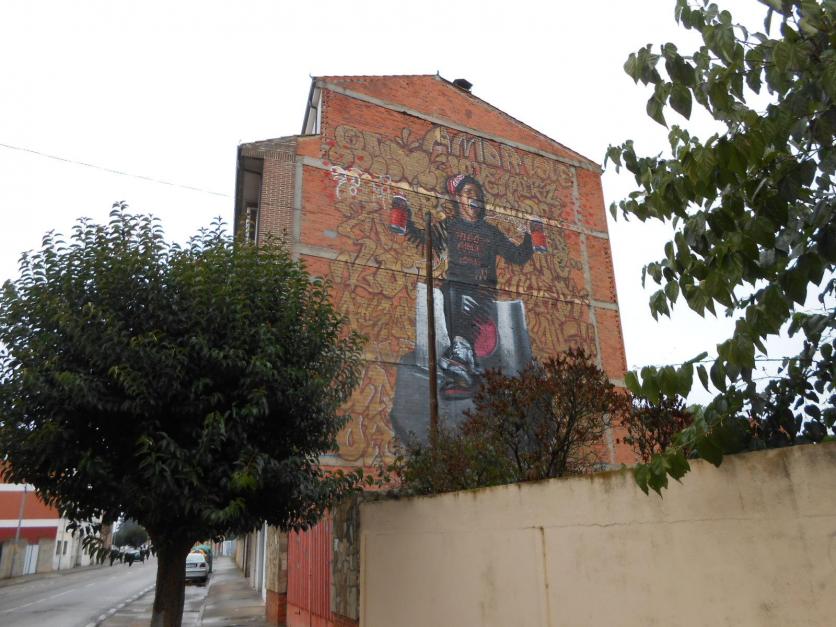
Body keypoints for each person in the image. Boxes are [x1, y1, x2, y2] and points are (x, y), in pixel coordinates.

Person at [398, 174, 534, 396]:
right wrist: (406, 220)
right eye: (468, 193)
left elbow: (517, 256)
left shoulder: (490, 232)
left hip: (483, 289)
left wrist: (530, 237)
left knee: (463, 296)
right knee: (450, 289)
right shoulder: (450, 226)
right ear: (458, 199)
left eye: (477, 193)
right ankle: (464, 362)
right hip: (456, 287)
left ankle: (461, 354)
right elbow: (423, 239)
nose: (474, 197)